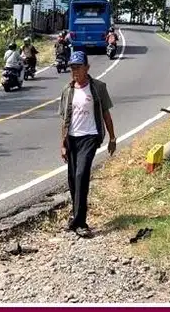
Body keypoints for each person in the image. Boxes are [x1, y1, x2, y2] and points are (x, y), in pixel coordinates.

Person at [59, 51, 116, 238]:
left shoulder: (98, 87)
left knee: (82, 174)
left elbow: (106, 113)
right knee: (73, 180)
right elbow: (65, 120)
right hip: (72, 139)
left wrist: (112, 137)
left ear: (87, 68)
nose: (75, 71)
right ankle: (76, 217)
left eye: (78, 67)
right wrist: (63, 144)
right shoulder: (68, 91)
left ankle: (81, 222)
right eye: (72, 68)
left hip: (90, 137)